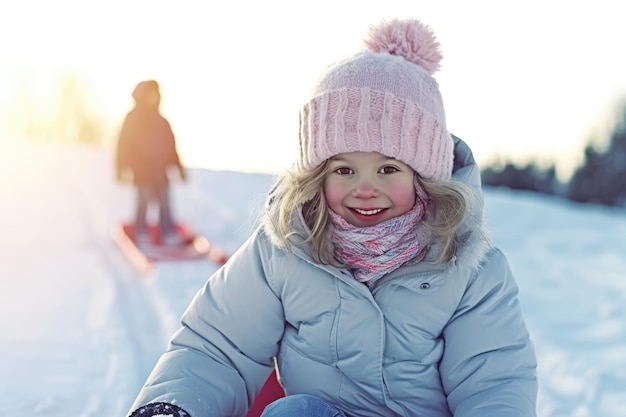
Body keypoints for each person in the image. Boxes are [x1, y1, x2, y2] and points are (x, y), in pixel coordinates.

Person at [127, 18, 537, 417]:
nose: (364, 188)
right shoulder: (287, 250)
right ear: (317, 177)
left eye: (388, 169)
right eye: (344, 170)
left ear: (424, 177)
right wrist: (174, 405)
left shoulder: (468, 267)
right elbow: (219, 345)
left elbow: (494, 381)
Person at [116, 80, 186, 244]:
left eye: (156, 94)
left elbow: (171, 146)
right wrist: (121, 166)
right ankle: (140, 232)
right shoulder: (133, 119)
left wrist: (178, 167)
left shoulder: (162, 121)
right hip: (142, 171)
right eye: (150, 95)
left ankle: (168, 233)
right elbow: (123, 144)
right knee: (143, 201)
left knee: (164, 203)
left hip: (160, 172)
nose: (153, 98)